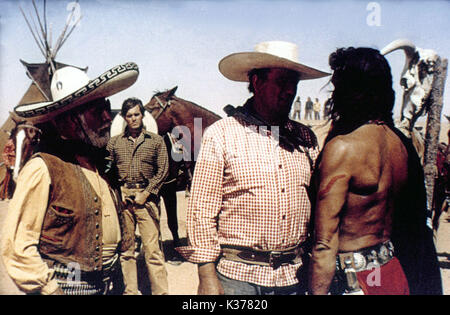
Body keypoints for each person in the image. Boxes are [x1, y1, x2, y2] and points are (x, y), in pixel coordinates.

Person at [177, 40, 329, 295]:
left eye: (294, 83)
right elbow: (202, 210)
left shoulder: (306, 139)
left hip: (293, 278)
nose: (290, 91)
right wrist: (206, 277)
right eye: (282, 82)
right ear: (257, 82)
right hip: (238, 279)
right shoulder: (221, 135)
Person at [308, 47, 442, 295]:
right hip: (391, 272)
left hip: (354, 281)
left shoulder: (343, 149)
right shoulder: (399, 145)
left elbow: (325, 245)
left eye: (337, 87)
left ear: (350, 92)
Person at [1, 62, 139, 295]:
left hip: (110, 283)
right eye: (97, 111)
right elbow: (17, 246)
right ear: (68, 124)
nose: (108, 117)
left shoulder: (102, 165)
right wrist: (51, 290)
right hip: (68, 286)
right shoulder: (43, 168)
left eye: (106, 106)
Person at [106, 97, 169, 295]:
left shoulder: (156, 141)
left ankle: (160, 292)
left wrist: (147, 192)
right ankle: (130, 292)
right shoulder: (114, 143)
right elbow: (108, 170)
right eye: (129, 115)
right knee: (126, 251)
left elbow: (163, 170)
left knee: (153, 252)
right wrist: (118, 194)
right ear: (124, 118)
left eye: (136, 114)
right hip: (124, 200)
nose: (133, 119)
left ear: (142, 115)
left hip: (146, 200)